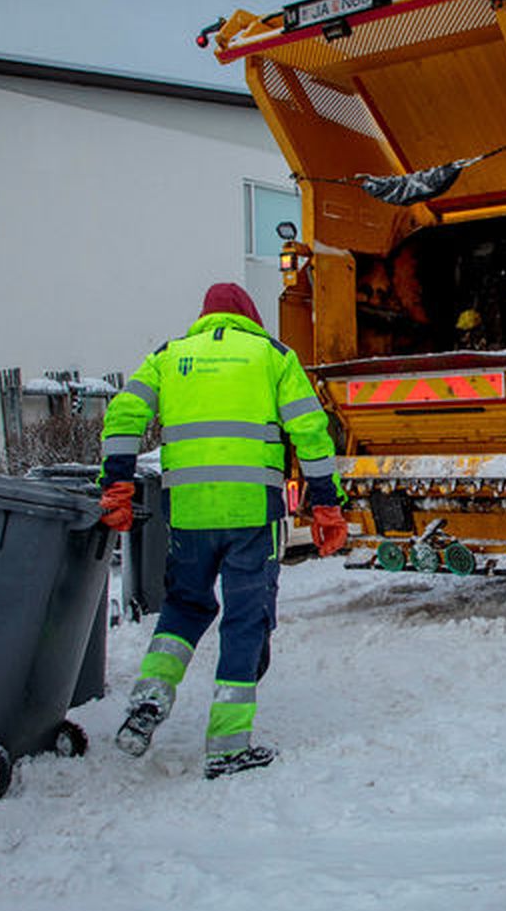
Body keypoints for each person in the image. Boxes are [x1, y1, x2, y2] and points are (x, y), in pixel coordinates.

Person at [98, 281, 348, 780]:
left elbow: (123, 414)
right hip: (252, 513)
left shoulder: (169, 355)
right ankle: (228, 747)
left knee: (184, 606)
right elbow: (311, 432)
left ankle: (149, 699)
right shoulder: (272, 355)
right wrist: (326, 506)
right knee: (245, 619)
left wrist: (117, 484)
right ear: (250, 316)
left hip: (189, 513)